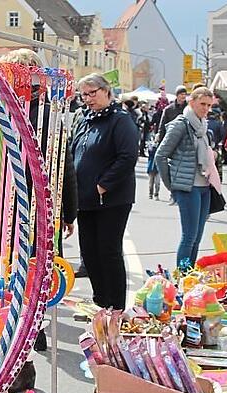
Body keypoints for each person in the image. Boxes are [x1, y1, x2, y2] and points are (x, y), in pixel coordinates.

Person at [0, 48, 77, 393]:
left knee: (29, 274)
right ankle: (16, 342)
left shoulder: (47, 117)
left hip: (33, 209)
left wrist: (66, 210)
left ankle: (24, 348)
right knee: (2, 274)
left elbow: (64, 165)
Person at [69, 73, 138, 310]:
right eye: (83, 94)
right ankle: (101, 302)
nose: (87, 98)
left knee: (108, 251)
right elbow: (73, 149)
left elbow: (127, 156)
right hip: (85, 197)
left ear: (106, 91)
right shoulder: (83, 118)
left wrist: (104, 184)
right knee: (89, 253)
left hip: (112, 199)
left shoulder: (120, 119)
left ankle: (115, 306)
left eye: (92, 93)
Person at [155, 87, 222, 270]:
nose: (206, 108)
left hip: (205, 186)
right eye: (202, 104)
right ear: (191, 102)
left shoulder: (203, 124)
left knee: (198, 237)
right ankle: (182, 277)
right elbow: (160, 155)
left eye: (209, 105)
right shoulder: (181, 124)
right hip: (188, 187)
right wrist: (172, 185)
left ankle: (190, 275)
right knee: (189, 236)